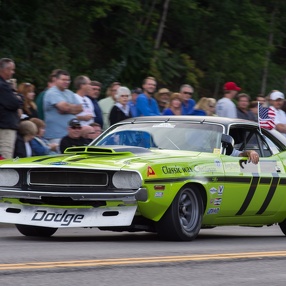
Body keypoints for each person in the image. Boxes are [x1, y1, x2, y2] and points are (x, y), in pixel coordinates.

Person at [43, 69, 83, 144]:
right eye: (63, 80)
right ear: (56, 80)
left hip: (70, 135)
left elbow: (80, 108)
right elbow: (64, 107)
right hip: (56, 136)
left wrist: (67, 109)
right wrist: (70, 108)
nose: (66, 82)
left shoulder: (69, 93)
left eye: (68, 80)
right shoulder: (52, 92)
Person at [0, 58, 23, 159]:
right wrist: (19, 96)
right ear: (4, 70)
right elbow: (14, 103)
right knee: (5, 156)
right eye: (11, 70)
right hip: (5, 127)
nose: (12, 72)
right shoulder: (3, 86)